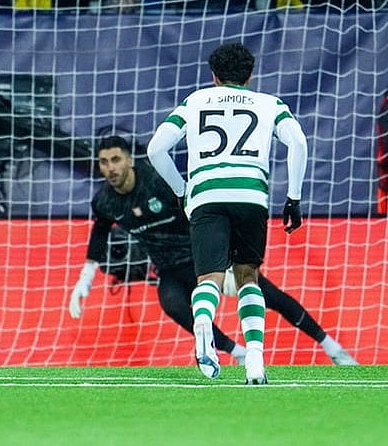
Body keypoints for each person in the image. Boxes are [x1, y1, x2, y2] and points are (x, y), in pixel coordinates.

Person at [69, 136, 359, 368]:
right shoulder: (104, 200)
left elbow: (200, 212)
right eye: (104, 162)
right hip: (170, 269)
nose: (111, 168)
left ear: (129, 160)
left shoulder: (158, 181)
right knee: (171, 303)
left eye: (116, 159)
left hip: (204, 255)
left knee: (267, 295)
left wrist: (226, 252)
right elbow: (100, 231)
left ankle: (332, 347)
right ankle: (238, 352)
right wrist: (86, 277)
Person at [146, 42, 308, 385]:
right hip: (250, 194)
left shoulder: (195, 101)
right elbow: (298, 142)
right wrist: (293, 198)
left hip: (206, 194)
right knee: (248, 276)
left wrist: (181, 190)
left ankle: (202, 322)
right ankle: (254, 361)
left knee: (209, 280)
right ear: (249, 76)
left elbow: (156, 148)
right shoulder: (269, 104)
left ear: (214, 76)